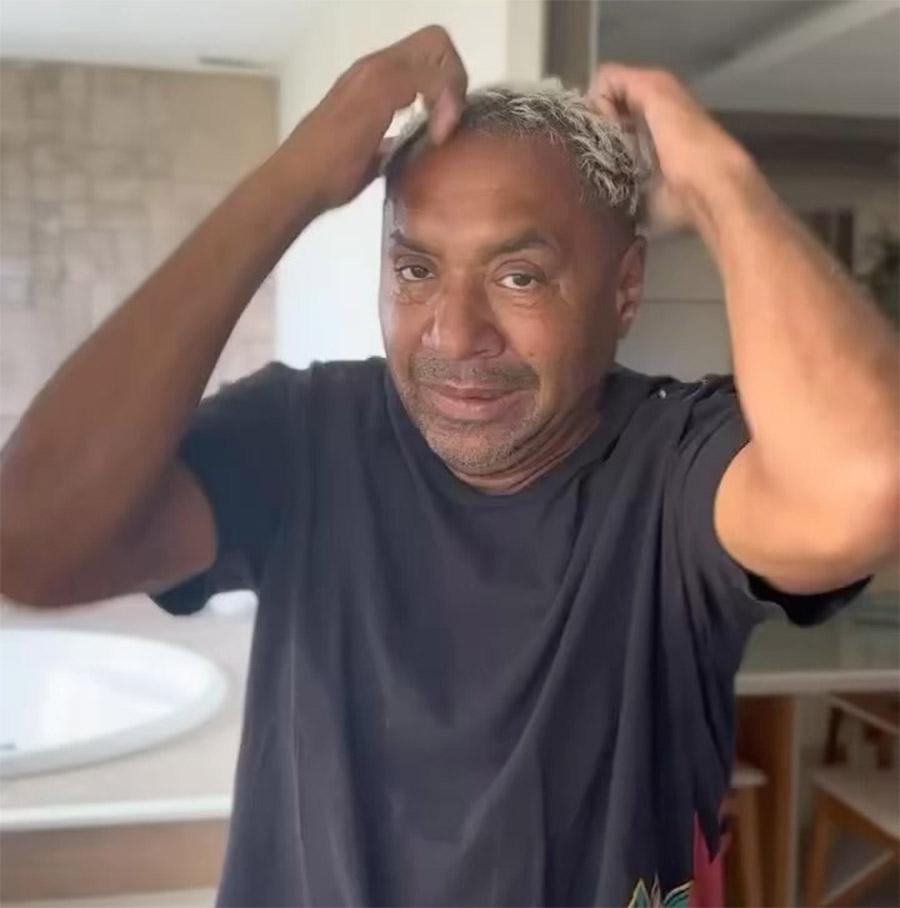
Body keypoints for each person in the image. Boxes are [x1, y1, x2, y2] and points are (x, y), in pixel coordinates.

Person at [1, 25, 897, 908]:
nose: (454, 335)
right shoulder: (305, 438)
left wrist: (719, 180)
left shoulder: (673, 468)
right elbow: (33, 542)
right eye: (416, 270)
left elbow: (867, 482)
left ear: (625, 289)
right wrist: (291, 180)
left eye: (519, 276)